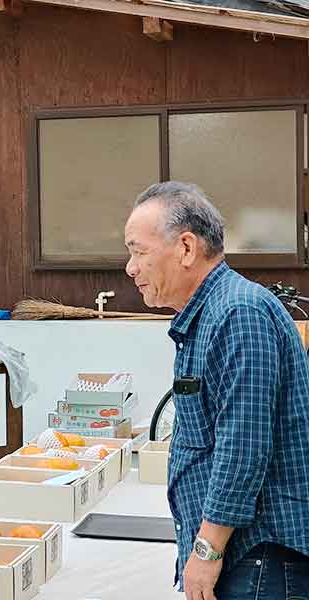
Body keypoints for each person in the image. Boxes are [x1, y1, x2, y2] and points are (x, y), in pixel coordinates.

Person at [124, 181, 309, 600]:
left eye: (138, 250)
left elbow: (242, 447)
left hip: (261, 556)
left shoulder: (238, 313)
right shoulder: (210, 313)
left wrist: (206, 551)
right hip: (248, 554)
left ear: (186, 248)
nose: (130, 268)